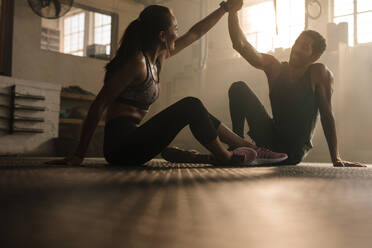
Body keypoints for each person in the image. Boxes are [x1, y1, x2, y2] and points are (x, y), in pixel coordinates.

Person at [48, 2, 287, 167]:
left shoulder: (158, 58)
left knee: (195, 108)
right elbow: (99, 104)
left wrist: (225, 8)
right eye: (175, 28)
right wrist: (79, 154)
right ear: (162, 35)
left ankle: (244, 147)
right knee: (191, 105)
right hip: (120, 148)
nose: (178, 32)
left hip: (136, 141)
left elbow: (196, 32)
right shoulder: (137, 63)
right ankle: (225, 156)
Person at [226, 0, 365, 167]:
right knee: (238, 88)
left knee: (290, 149)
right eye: (297, 43)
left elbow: (327, 115)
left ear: (314, 56)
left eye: (304, 46)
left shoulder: (318, 73)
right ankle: (238, 148)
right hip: (270, 140)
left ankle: (248, 151)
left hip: (292, 151)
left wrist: (336, 158)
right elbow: (241, 45)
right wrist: (232, 12)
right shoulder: (275, 68)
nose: (297, 49)